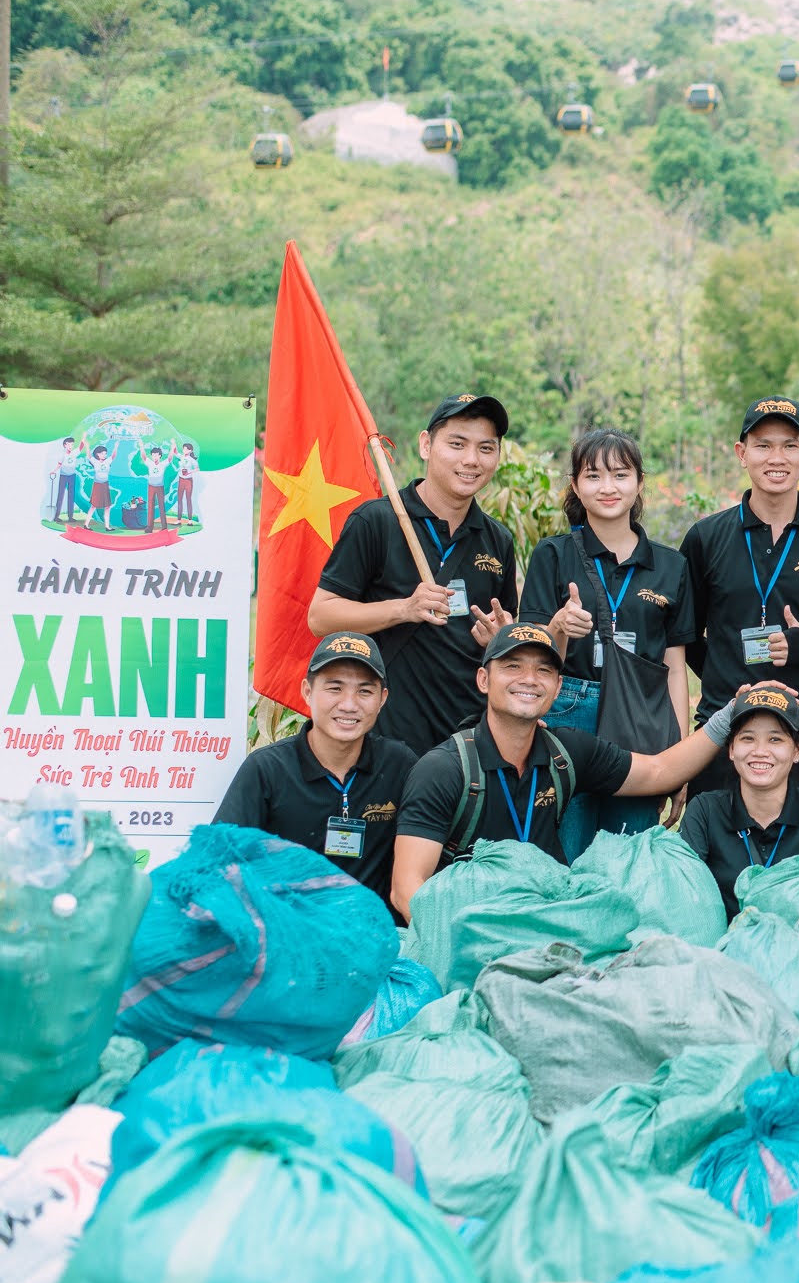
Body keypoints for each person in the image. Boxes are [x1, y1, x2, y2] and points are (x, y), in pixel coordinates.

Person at [391, 624, 785, 919]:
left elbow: (658, 771)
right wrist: (469, 945)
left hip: (552, 923)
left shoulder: (567, 751)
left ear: (558, 685)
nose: (529, 679)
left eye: (543, 671)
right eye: (512, 666)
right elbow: (406, 890)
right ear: (483, 679)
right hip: (472, 925)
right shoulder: (444, 769)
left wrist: (731, 713)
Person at [680, 397, 799, 801]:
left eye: (790, 445)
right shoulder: (706, 538)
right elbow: (686, 636)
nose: (777, 458)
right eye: (763, 445)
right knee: (718, 854)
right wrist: (727, 676)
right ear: (742, 454)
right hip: (727, 723)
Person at [310, 394, 521, 756]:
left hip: (464, 743)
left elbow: (504, 639)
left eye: (486, 448)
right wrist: (405, 608)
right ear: (426, 444)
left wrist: (500, 640)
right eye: (457, 444)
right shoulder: (377, 521)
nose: (471, 460)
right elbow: (320, 617)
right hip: (384, 739)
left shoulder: (497, 539)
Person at [519, 428, 693, 860]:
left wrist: (679, 758)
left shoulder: (671, 566)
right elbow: (533, 662)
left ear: (638, 483)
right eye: (593, 476)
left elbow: (674, 668)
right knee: (564, 843)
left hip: (641, 715)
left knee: (629, 848)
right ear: (576, 485)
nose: (608, 487)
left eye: (620, 474)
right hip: (569, 708)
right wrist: (558, 626)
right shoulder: (552, 555)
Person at [213, 633, 418, 920]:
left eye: (364, 691)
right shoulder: (267, 769)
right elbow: (220, 861)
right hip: (290, 939)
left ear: (382, 698)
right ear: (307, 691)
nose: (349, 705)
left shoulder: (400, 765)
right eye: (334, 688)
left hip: (375, 940)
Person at [679, 685, 799, 918]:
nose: (760, 751)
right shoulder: (704, 813)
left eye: (775, 739)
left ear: (797, 751)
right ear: (731, 749)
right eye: (748, 738)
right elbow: (684, 895)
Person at [140, 447, 170, 532]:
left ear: (160, 456)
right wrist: (141, 445)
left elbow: (170, 458)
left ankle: (164, 527)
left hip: (160, 487)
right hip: (151, 486)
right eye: (153, 455)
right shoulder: (150, 463)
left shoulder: (163, 464)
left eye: (156, 455)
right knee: (150, 506)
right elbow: (144, 457)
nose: (154, 457)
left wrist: (172, 447)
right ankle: (149, 527)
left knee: (161, 506)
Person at [84, 445, 114, 532]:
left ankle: (107, 527)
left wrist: (116, 446)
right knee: (94, 506)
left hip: (105, 485)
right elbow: (89, 455)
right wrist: (87, 446)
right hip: (97, 485)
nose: (104, 455)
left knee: (107, 506)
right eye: (102, 453)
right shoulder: (95, 462)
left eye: (105, 453)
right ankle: (86, 524)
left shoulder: (108, 461)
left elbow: (113, 456)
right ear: (97, 454)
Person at [51, 437, 78, 524]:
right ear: (65, 445)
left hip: (72, 476)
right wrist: (53, 471)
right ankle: (56, 516)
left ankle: (70, 517)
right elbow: (59, 465)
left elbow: (81, 447)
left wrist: (84, 439)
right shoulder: (62, 455)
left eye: (72, 444)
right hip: (63, 476)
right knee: (60, 496)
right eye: (69, 444)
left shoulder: (74, 453)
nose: (71, 446)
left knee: (71, 496)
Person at [174, 442, 199, 524]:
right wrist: (174, 443)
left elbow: (197, 468)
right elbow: (175, 452)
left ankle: (190, 520)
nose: (184, 450)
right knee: (179, 499)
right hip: (181, 480)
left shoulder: (192, 460)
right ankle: (179, 519)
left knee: (188, 499)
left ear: (190, 450)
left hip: (188, 480)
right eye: (183, 448)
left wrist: (189, 472)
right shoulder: (181, 457)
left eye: (186, 449)